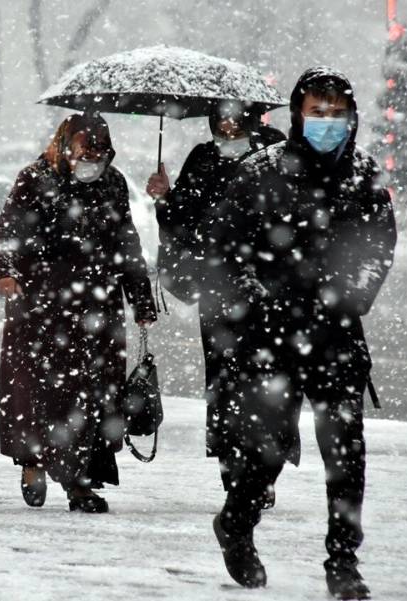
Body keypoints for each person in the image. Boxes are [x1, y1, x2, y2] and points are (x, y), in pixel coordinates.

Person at [207, 67, 397, 599]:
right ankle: (237, 523)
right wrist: (257, 301)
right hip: (269, 337)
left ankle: (343, 562)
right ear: (297, 114)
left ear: (351, 117)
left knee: (345, 454)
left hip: (336, 335)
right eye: (317, 112)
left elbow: (378, 247)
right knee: (267, 449)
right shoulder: (260, 171)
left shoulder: (363, 175)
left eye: (336, 113)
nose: (327, 122)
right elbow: (225, 246)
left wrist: (350, 297)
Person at [0, 112, 157, 513]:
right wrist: (6, 270)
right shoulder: (35, 179)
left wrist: (140, 297)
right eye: (85, 148)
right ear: (65, 145)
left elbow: (126, 241)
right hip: (42, 306)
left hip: (98, 304)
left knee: (95, 394)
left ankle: (81, 482)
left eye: (100, 150)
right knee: (42, 392)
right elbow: (8, 230)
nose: (92, 158)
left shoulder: (112, 183)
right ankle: (33, 459)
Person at [145, 102, 286, 463]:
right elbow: (180, 223)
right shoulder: (203, 158)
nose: (226, 127)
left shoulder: (275, 153)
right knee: (224, 377)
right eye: (220, 120)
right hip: (217, 287)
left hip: (267, 287)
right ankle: (230, 459)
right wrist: (165, 197)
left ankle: (262, 461)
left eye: (234, 119)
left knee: (265, 376)